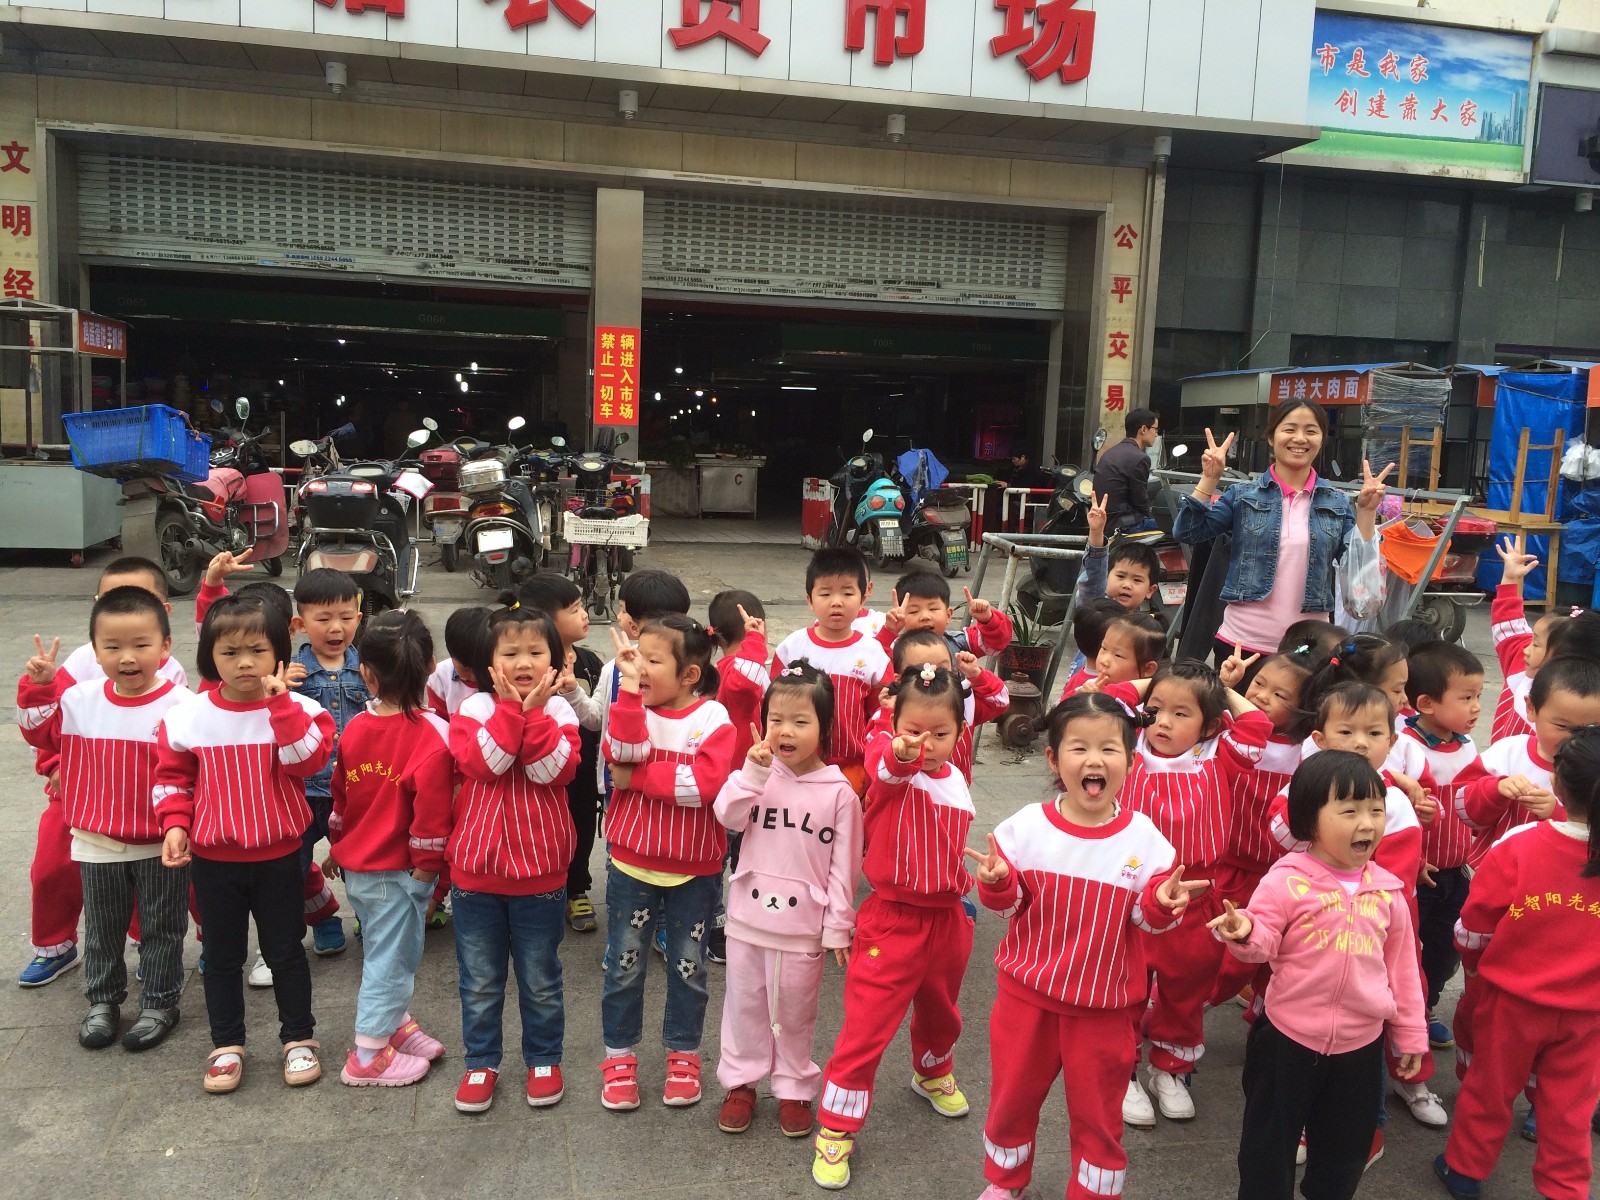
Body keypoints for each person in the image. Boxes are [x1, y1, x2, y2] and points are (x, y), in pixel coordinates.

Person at [969, 693, 1204, 1200]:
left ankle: (1093, 1191)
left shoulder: (1146, 842)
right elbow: (1008, 907)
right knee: (1011, 1102)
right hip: (1026, 1000)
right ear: (1054, 759)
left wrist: (1162, 904)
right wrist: (997, 883)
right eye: (1079, 747)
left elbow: (1147, 920)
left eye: (1109, 748)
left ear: (1131, 761)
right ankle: (1005, 1182)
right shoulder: (1025, 828)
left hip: (1105, 1010)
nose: (1094, 759)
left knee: (1099, 1116)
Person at [1211, 751, 1426, 1200]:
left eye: (1376, 810)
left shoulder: (1387, 892)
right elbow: (1264, 940)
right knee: (1267, 1149)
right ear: (1310, 820)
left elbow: (1402, 970)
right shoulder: (1287, 879)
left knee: (1344, 1154)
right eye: (1349, 812)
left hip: (1360, 1049)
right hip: (1286, 1041)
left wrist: (1410, 1033)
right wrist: (1244, 930)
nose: (1367, 823)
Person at [155, 594, 335, 1093]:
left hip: (281, 857)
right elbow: (172, 779)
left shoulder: (303, 709)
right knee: (221, 956)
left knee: (286, 952)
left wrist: (280, 707)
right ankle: (227, 1044)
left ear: (280, 652)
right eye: (229, 652)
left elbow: (307, 762)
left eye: (257, 650)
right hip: (214, 861)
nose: (244, 663)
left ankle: (298, 1038)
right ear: (209, 656)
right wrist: (175, 824)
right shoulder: (187, 716)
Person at [811, 665, 975, 1191]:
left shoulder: (957, 780)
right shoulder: (890, 766)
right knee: (866, 1027)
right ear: (894, 723)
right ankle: (837, 1127)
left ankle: (932, 1070)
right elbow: (887, 764)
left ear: (960, 733)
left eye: (941, 733)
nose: (925, 743)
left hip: (948, 919)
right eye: (913, 730)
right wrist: (899, 750)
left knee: (942, 1011)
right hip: (893, 921)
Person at [16, 587, 194, 1051]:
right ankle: (102, 1000)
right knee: (102, 927)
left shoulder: (181, 704)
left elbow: (196, 769)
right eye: (112, 646)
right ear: (95, 651)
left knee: (162, 927)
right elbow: (38, 733)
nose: (127, 657)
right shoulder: (79, 700)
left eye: (141, 644)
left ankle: (160, 1001)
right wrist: (40, 686)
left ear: (165, 646)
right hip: (96, 840)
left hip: (160, 840)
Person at [1097, 662, 1270, 1127]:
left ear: (1210, 725)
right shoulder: (1129, 744)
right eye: (1155, 710)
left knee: (1186, 988)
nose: (1164, 723)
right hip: (1133, 893)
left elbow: (1258, 725)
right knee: (1127, 985)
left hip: (1197, 895)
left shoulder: (1219, 754)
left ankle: (1170, 1068)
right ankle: (1123, 1071)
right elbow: (1110, 698)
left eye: (1181, 713)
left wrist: (1219, 688)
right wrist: (1158, 685)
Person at [1435, 726, 1600, 1200]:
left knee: (1489, 1087)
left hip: (1511, 1001)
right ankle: (1565, 1188)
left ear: (1557, 783)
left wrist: (1474, 966)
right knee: (1571, 1106)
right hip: (1588, 1015)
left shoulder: (1521, 844)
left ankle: (1464, 1171)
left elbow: (1473, 927)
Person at [712, 662, 862, 1141]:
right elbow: (727, 816)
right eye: (776, 719)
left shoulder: (840, 794)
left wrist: (837, 926)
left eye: (800, 721)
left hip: (802, 928)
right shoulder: (756, 775)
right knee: (744, 1006)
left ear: (825, 726)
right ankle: (741, 1082)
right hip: (747, 920)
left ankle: (795, 1085)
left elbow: (844, 868)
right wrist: (752, 773)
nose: (786, 731)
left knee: (796, 1011)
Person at [445, 601, 581, 1114]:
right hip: (475, 876)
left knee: (540, 979)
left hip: (541, 874)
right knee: (479, 981)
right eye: (510, 653)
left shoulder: (561, 713)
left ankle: (544, 1059)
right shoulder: (473, 710)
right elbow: (487, 764)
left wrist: (535, 715)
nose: (523, 662)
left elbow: (552, 771)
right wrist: (510, 711)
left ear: (555, 661)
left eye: (535, 652)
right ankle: (481, 1061)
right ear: (490, 663)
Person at [600, 616, 735, 1112]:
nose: (638, 667)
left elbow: (703, 786)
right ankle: (618, 1056)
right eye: (635, 657)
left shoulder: (713, 718)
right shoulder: (631, 709)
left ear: (689, 675)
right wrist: (628, 695)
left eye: (651, 660)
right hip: (630, 864)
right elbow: (618, 753)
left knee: (688, 967)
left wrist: (637, 779)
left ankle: (684, 1053)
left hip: (694, 870)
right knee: (623, 964)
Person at [325, 610, 452, 1088]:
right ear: (431, 666)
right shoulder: (436, 736)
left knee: (386, 951)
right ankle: (368, 1054)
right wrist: (428, 874)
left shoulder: (356, 727)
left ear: (367, 674)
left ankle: (395, 1025)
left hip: (360, 869)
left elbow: (342, 796)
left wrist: (338, 844)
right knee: (391, 962)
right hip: (401, 872)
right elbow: (433, 819)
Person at [1173, 401, 1389, 683]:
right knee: (1239, 712)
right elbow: (1188, 532)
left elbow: (1359, 568)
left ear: (1321, 439)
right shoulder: (1243, 495)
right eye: (1290, 429)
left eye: (1310, 431)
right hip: (1241, 645)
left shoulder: (1336, 501)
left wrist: (1367, 512)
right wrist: (1209, 479)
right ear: (1271, 437)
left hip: (1308, 649)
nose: (1300, 438)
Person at [1398, 640, 1488, 1053]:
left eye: (1478, 696)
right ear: (1426, 703)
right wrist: (1414, 858)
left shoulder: (1467, 745)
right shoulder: (1405, 746)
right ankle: (1400, 1013)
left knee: (1445, 947)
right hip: (1414, 872)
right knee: (1404, 947)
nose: (1476, 708)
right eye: (1466, 698)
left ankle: (1426, 1007)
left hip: (1455, 871)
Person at [517, 575, 606, 935]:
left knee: (581, 824)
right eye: (574, 609)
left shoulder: (589, 662)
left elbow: (598, 715)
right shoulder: (530, 667)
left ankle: (576, 888)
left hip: (580, 767)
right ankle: (538, 888)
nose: (585, 615)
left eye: (582, 606)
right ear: (546, 620)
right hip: (540, 765)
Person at [772, 547, 892, 799]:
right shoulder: (791, 648)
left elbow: (880, 715)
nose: (836, 602)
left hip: (852, 769)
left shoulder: (874, 655)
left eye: (847, 593)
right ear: (809, 600)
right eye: (825, 593)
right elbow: (773, 708)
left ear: (863, 598)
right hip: (795, 766)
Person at [288, 569, 364, 957]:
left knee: (359, 865)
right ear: (300, 624)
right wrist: (276, 687)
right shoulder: (291, 671)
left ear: (358, 618)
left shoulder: (366, 668)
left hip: (351, 791)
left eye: (346, 617)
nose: (336, 628)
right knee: (292, 869)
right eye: (324, 619)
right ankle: (319, 920)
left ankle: (370, 921)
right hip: (301, 791)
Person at [707, 588, 771, 964]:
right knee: (731, 859)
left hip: (741, 781)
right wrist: (756, 642)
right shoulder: (735, 669)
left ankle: (737, 920)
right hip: (735, 783)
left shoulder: (726, 668)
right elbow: (746, 683)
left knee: (737, 859)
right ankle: (719, 927)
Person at [885, 630, 1008, 784]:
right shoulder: (891, 709)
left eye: (941, 669)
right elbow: (874, 755)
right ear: (899, 679)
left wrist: (976, 676)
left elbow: (1000, 700)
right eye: (914, 731)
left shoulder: (963, 701)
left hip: (954, 790)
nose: (932, 675)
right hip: (905, 789)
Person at [1488, 535, 1570, 742]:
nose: (1526, 649)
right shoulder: (1521, 666)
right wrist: (1510, 579)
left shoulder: (1579, 705)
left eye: (1536, 644)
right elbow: (1510, 625)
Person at [876, 571, 1014, 661]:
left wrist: (987, 619)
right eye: (914, 611)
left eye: (933, 609)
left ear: (948, 615)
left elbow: (997, 641)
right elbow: (871, 664)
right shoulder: (894, 649)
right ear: (902, 618)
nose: (925, 616)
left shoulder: (960, 643)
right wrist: (889, 632)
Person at [1093, 408, 1160, 534]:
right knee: (1172, 524)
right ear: (1143, 429)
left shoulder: (1110, 453)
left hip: (1104, 522)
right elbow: (1140, 500)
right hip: (1125, 524)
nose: (1156, 434)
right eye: (1155, 429)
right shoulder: (1140, 458)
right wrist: (1152, 512)